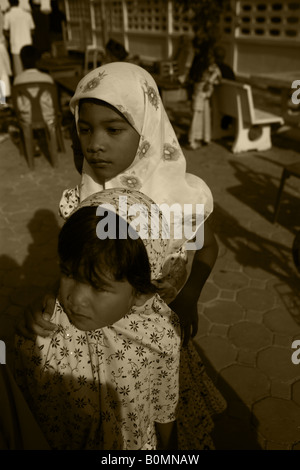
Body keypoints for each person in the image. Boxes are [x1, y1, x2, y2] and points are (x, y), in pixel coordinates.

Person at [19, 62, 226, 448]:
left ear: (147, 129)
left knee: (159, 412)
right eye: (84, 128)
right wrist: (48, 302)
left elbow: (208, 247)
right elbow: (80, 269)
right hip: (90, 343)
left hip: (158, 338)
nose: (94, 143)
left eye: (113, 129)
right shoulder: (84, 198)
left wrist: (190, 298)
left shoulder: (179, 199)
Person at [14, 188, 181, 450]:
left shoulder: (160, 336)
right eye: (69, 274)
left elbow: (163, 405)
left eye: (98, 286)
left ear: (140, 292)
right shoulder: (46, 322)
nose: (76, 299)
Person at [187, 49, 222, 149]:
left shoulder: (200, 70)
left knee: (200, 117)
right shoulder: (209, 72)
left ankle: (203, 137)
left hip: (199, 96)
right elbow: (216, 79)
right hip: (201, 96)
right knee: (198, 117)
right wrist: (211, 80)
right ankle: (193, 140)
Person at [3, 0, 35, 76]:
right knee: (29, 68)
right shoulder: (27, 14)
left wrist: (11, 36)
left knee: (18, 71)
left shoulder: (8, 15)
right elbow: (32, 31)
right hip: (27, 43)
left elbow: (5, 31)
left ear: (9, 3)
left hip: (15, 45)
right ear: (18, 3)